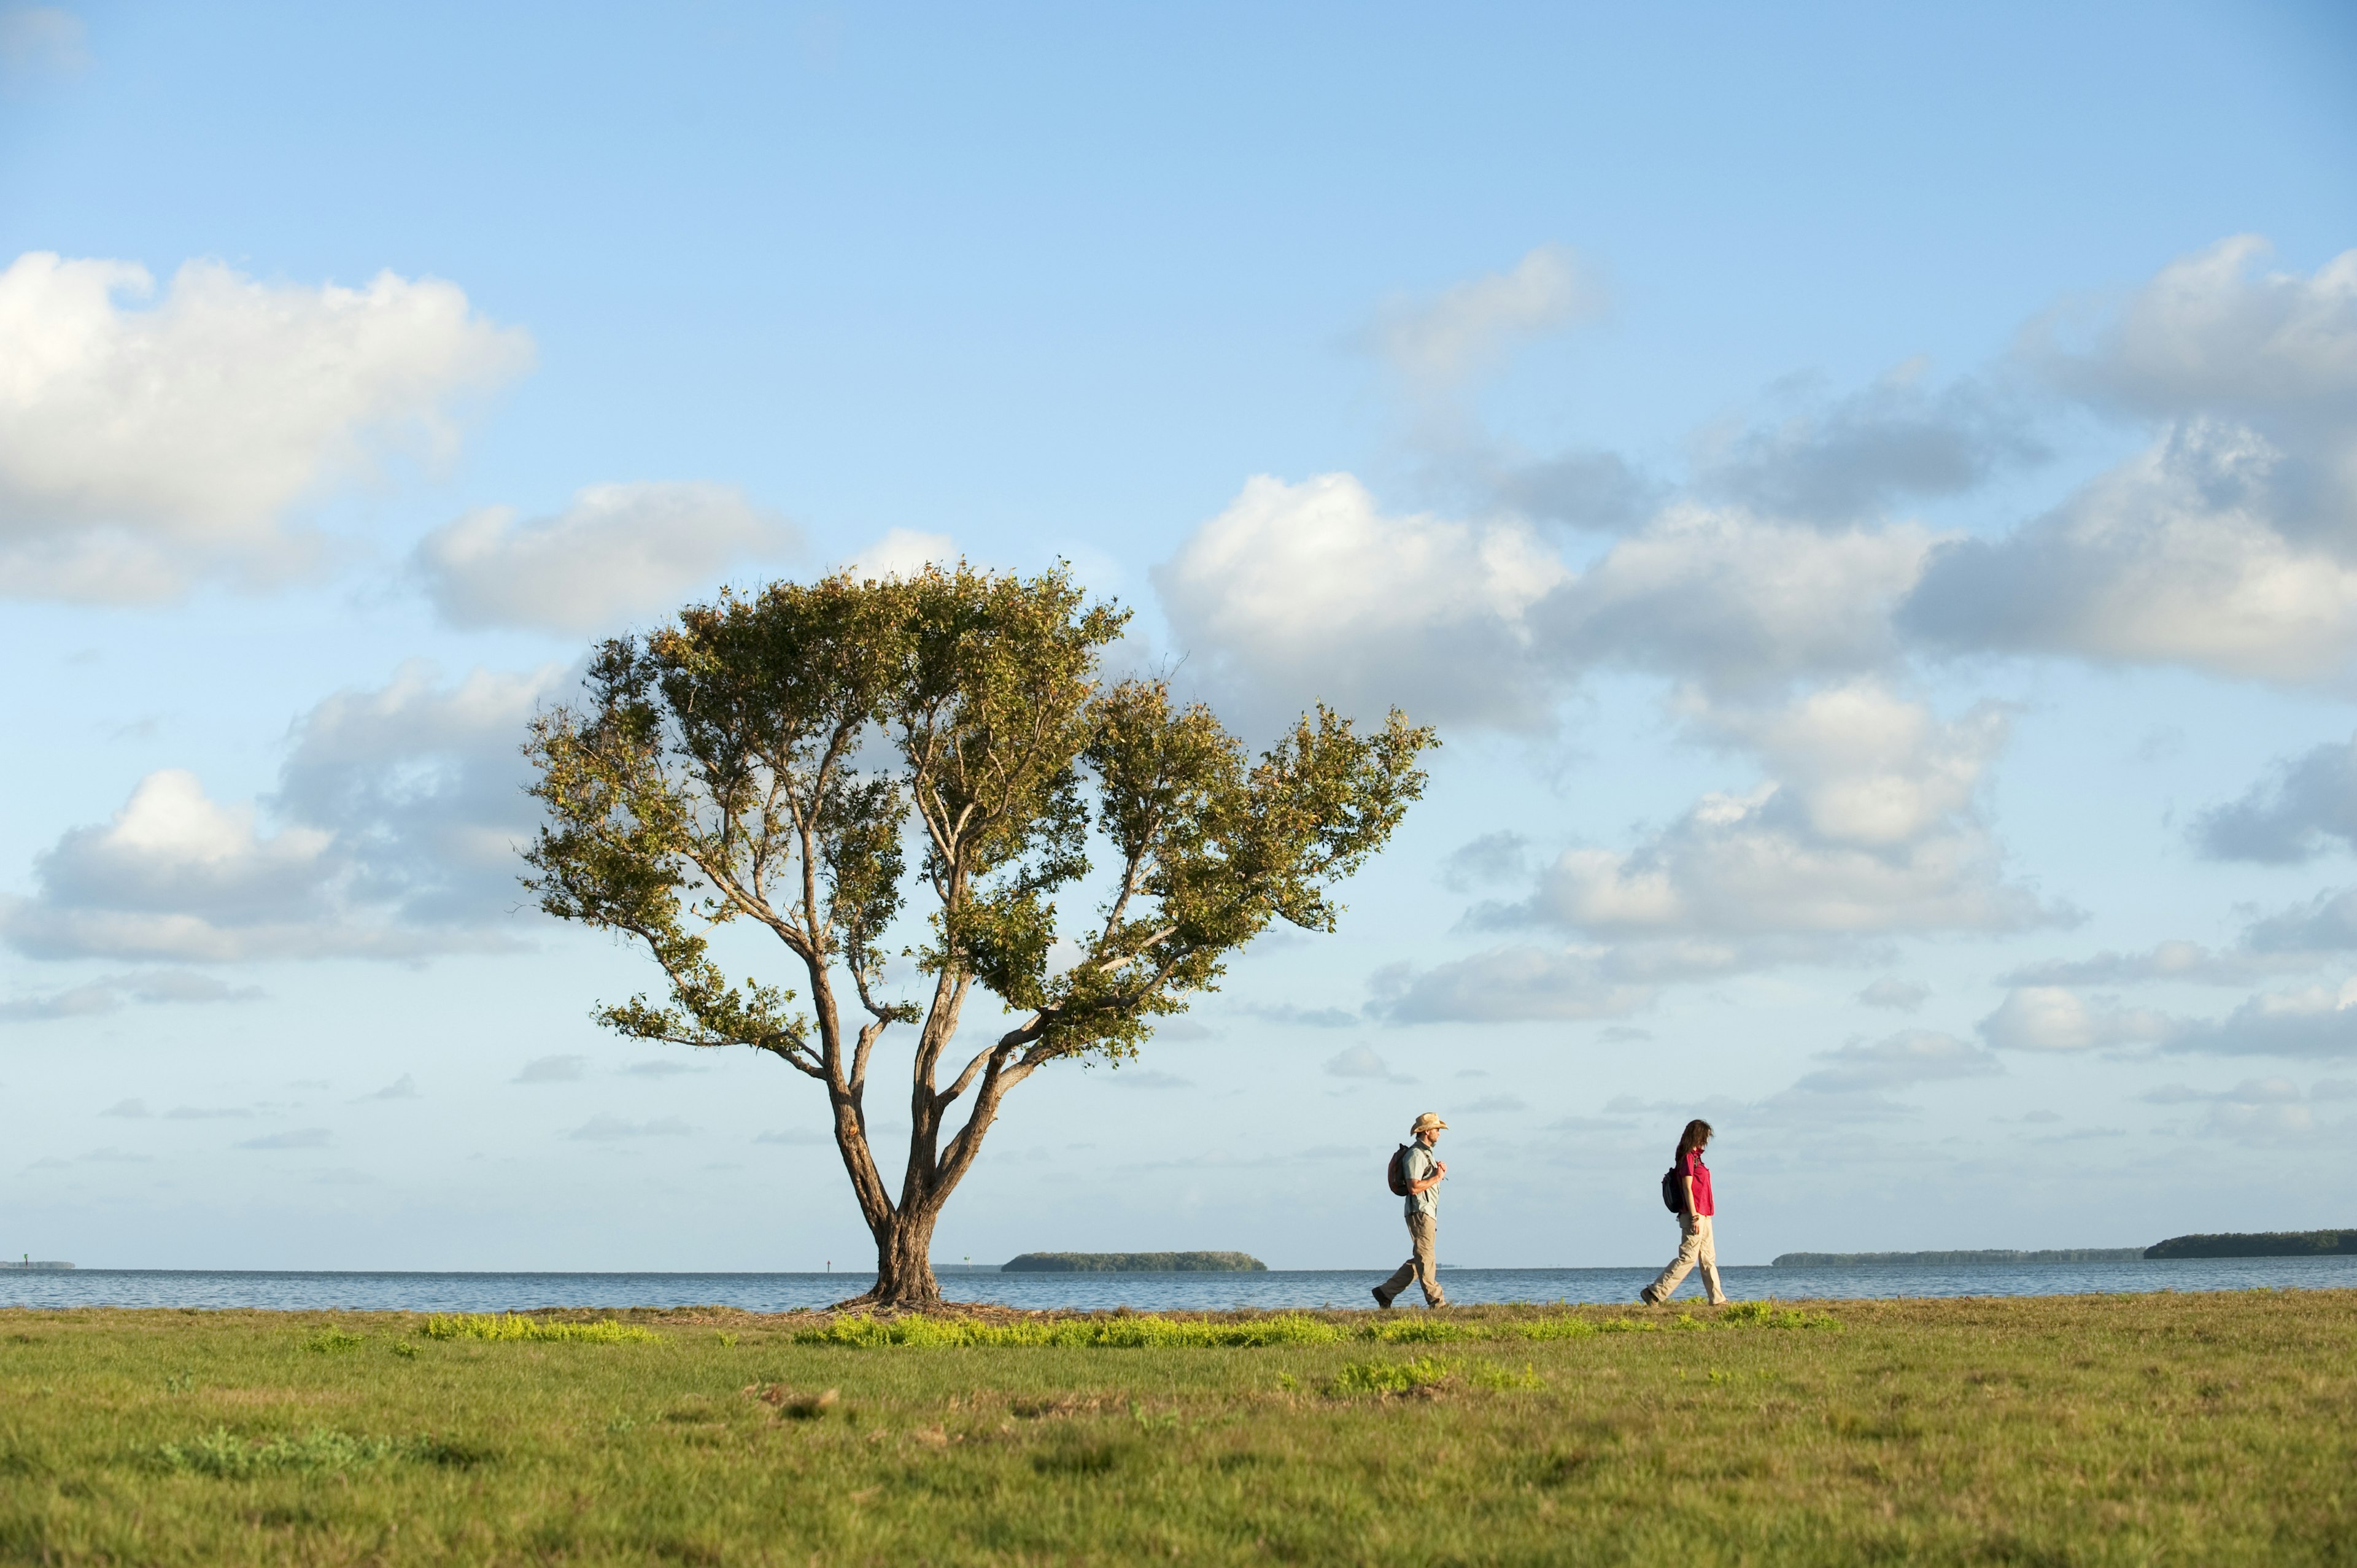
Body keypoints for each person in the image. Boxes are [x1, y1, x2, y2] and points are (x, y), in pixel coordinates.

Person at [1641, 1118, 1727, 1307]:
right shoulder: (1688, 1158)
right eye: (1705, 1136)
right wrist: (1694, 1216)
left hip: (1704, 1214)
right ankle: (1654, 1292)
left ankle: (1718, 1300)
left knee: (1708, 1258)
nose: (1706, 1140)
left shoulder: (1697, 1158)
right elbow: (1688, 1188)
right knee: (1688, 1258)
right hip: (1694, 1215)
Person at [1374, 1111, 1449, 1309]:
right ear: (1426, 1132)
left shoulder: (1426, 1154)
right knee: (1426, 1258)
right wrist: (1437, 1177)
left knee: (1420, 1260)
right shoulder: (1416, 1155)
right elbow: (1414, 1187)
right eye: (1436, 1129)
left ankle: (1385, 1292)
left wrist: (1437, 1173)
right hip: (1420, 1213)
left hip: (1427, 1212)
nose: (1439, 1133)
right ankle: (1437, 1303)